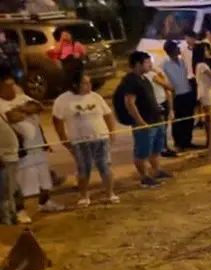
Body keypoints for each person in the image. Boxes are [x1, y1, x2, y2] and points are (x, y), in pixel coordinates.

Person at [0, 72, 63, 215]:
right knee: (22, 181)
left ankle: (45, 202)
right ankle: (20, 210)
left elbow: (38, 107)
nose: (12, 88)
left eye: (13, 84)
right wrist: (25, 109)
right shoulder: (1, 104)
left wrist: (21, 109)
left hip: (37, 146)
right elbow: (13, 117)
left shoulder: (22, 97)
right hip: (21, 150)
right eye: (8, 86)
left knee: (43, 177)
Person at [52, 71, 117, 207]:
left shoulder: (96, 97)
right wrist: (63, 139)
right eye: (85, 83)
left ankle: (110, 193)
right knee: (83, 168)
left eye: (89, 82)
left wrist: (112, 132)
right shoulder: (63, 100)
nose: (89, 86)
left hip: (100, 137)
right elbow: (57, 120)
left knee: (105, 165)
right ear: (75, 85)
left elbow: (108, 115)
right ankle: (84, 196)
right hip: (79, 140)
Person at [116, 51, 171, 188]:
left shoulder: (144, 78)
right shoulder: (131, 81)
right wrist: (139, 121)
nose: (150, 65)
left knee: (156, 149)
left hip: (155, 119)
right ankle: (144, 177)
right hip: (145, 123)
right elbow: (130, 102)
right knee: (143, 151)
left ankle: (156, 171)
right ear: (137, 64)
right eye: (147, 62)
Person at [161, 40, 197, 151]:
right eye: (176, 48)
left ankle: (187, 141)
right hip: (177, 96)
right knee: (178, 120)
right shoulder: (165, 66)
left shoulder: (183, 61)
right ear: (170, 51)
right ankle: (179, 143)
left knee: (189, 118)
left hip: (188, 93)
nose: (178, 49)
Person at [144, 62, 177, 158]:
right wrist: (163, 77)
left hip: (153, 103)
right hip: (161, 102)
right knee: (162, 127)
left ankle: (162, 147)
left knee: (160, 127)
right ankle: (162, 148)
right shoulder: (153, 75)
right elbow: (168, 86)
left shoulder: (143, 77)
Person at [194, 43, 211, 146]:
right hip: (207, 94)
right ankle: (210, 140)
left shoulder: (201, 65)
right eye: (205, 50)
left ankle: (210, 140)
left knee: (209, 118)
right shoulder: (202, 65)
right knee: (210, 119)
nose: (208, 52)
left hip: (207, 93)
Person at [0, 114, 19, 224]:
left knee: (10, 190)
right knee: (6, 191)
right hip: (4, 158)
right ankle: (7, 219)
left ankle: (11, 216)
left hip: (9, 156)